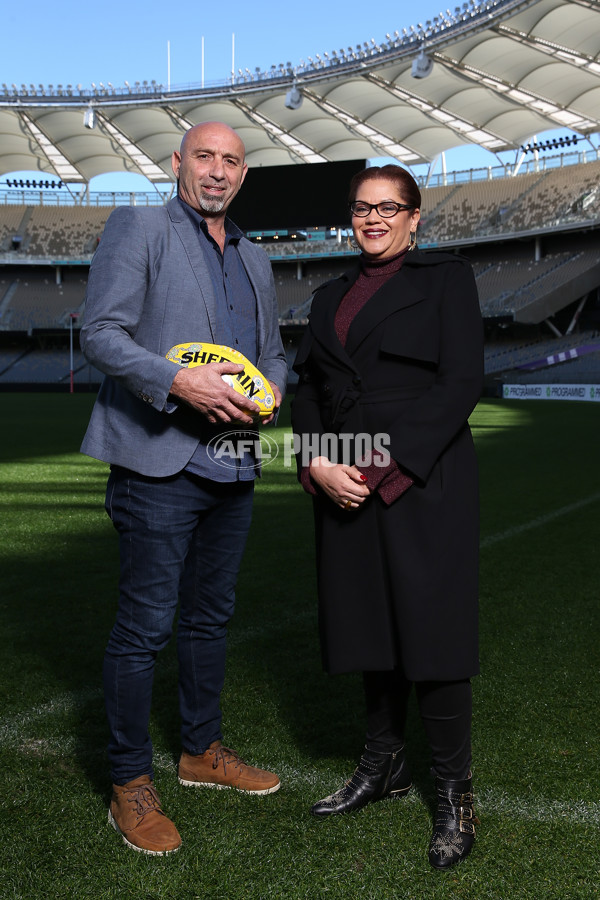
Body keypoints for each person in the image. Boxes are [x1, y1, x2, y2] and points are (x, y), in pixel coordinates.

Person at [80, 122, 288, 856]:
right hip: (158, 460)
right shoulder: (140, 227)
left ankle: (201, 751)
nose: (217, 170)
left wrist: (271, 394)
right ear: (177, 163)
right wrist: (177, 381)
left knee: (210, 619)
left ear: (242, 175)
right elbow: (100, 333)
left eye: (232, 161)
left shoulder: (257, 259)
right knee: (145, 628)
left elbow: (273, 355)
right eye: (205, 156)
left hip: (231, 463)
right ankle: (128, 782)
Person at [291, 165, 483, 870]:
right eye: (362, 208)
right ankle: (384, 764)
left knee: (432, 635)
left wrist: (372, 468)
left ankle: (455, 796)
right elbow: (306, 387)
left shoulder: (445, 279)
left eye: (388, 207)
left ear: (414, 215)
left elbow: (461, 381)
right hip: (342, 473)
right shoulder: (327, 296)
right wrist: (317, 461)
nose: (373, 219)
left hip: (422, 479)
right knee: (368, 625)